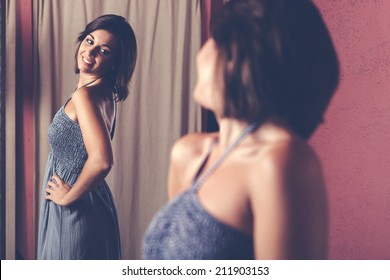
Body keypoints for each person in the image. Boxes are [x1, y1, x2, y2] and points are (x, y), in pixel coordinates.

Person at [143, 0, 339, 260]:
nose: (202, 53)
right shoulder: (189, 153)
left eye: (214, 41)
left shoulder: (281, 162)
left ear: (240, 58)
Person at [37, 14, 137, 259]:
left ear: (115, 62)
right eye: (89, 41)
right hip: (89, 201)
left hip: (75, 209)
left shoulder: (86, 96)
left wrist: (67, 198)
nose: (90, 52)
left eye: (104, 51)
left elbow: (102, 160)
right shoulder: (104, 93)